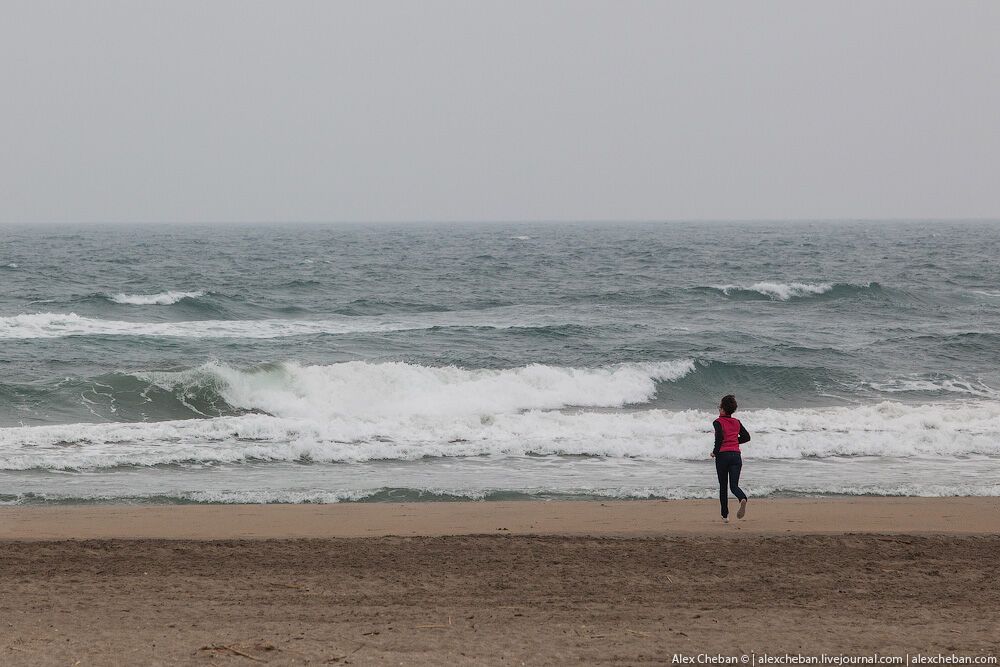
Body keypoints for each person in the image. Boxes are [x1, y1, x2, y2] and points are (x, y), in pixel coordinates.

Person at [710, 394, 750, 523]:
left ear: (722, 409)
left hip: (723, 456)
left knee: (723, 486)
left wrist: (715, 452)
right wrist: (734, 441)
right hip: (736, 456)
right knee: (734, 486)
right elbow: (746, 437)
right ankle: (742, 498)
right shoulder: (737, 422)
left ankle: (725, 515)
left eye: (719, 406)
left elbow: (719, 438)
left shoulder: (718, 422)